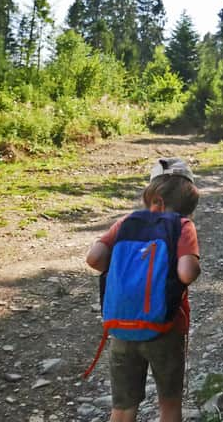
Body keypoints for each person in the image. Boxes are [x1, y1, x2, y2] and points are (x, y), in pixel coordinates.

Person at [85, 158, 201, 422]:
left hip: (122, 328)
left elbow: (94, 259)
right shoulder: (182, 226)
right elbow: (186, 273)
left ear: (153, 196)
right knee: (169, 404)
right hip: (165, 328)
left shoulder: (126, 222)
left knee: (123, 408)